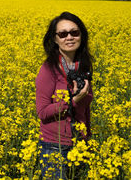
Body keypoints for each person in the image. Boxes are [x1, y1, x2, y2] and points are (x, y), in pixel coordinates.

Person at [35, 11, 94, 179]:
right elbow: (43, 112)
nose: (69, 37)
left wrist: (87, 139)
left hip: (80, 145)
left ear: (81, 36)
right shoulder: (49, 69)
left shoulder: (83, 68)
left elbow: (86, 109)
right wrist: (72, 101)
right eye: (63, 34)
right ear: (55, 39)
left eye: (74, 32)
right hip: (55, 146)